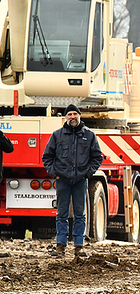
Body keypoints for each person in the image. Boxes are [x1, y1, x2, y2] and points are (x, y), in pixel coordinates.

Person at [42, 104, 103, 258]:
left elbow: (97, 157)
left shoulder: (89, 135)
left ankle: (79, 247)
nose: (72, 117)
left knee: (80, 214)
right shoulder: (57, 135)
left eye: (75, 114)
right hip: (62, 180)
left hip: (80, 181)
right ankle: (60, 247)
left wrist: (87, 173)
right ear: (66, 117)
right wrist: (54, 173)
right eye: (69, 114)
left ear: (79, 115)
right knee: (61, 214)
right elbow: (47, 157)